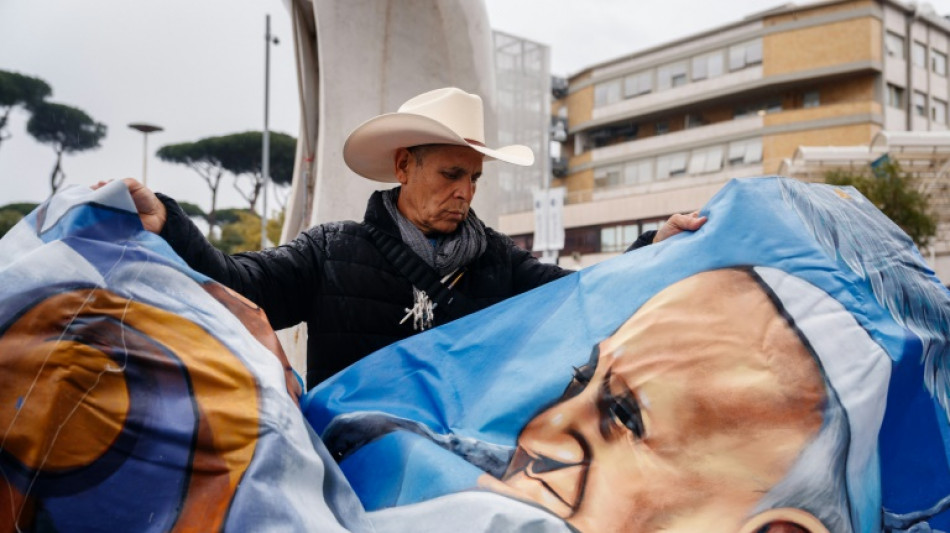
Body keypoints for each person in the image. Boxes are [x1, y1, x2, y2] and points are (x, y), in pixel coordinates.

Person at [115, 87, 706, 388]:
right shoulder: (331, 249)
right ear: (404, 168)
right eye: (451, 174)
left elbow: (581, 296)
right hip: (351, 485)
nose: (465, 193)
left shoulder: (500, 259)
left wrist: (651, 249)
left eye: (473, 178)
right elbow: (241, 285)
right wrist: (169, 224)